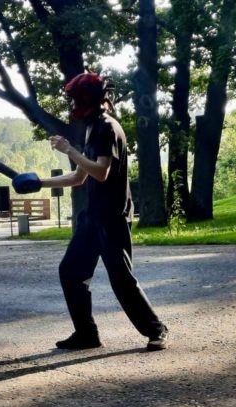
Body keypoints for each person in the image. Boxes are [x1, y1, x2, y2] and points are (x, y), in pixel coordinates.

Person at [36, 72, 168, 351]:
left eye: (73, 98)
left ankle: (157, 330)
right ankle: (86, 334)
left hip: (112, 217)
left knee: (121, 279)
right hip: (93, 216)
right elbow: (78, 177)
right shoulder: (93, 127)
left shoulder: (107, 128)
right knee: (71, 271)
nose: (70, 104)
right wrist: (38, 182)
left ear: (86, 99)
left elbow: (101, 172)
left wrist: (69, 149)